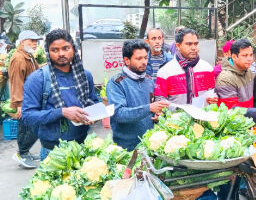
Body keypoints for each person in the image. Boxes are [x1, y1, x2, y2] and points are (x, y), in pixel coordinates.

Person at [22, 29, 99, 160]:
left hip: (82, 146)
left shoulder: (85, 75)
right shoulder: (38, 79)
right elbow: (28, 116)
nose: (61, 53)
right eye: (55, 50)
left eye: (65, 48)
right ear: (48, 52)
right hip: (52, 152)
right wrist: (62, 112)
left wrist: (95, 114)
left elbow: (95, 101)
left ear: (73, 49)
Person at [107, 40, 169, 150]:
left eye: (145, 57)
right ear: (127, 60)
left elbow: (151, 110)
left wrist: (157, 115)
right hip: (126, 147)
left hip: (149, 144)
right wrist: (149, 108)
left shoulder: (149, 81)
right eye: (139, 58)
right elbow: (118, 114)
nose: (144, 62)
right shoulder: (116, 83)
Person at [216, 39, 256, 125]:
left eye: (251, 55)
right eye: (245, 55)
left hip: (247, 123)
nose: (249, 59)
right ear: (234, 57)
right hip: (232, 127)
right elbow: (231, 110)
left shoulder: (248, 72)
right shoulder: (225, 78)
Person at [155, 28, 217, 106]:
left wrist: (213, 98)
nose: (194, 48)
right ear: (178, 45)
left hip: (203, 117)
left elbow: (213, 93)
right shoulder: (165, 72)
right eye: (189, 44)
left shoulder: (208, 68)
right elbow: (160, 100)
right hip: (177, 117)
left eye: (196, 44)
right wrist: (179, 109)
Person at [9, 30, 42, 168]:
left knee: (29, 127)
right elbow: (17, 82)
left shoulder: (28, 56)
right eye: (31, 41)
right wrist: (20, 105)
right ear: (22, 42)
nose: (35, 44)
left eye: (36, 41)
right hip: (25, 101)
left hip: (32, 99)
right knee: (30, 128)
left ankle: (25, 152)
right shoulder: (18, 59)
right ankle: (21, 153)